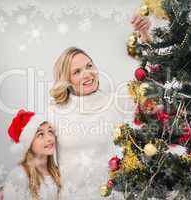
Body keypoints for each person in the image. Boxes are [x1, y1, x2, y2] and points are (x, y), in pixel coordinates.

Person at [47, 15, 151, 199]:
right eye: (77, 72)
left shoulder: (115, 102)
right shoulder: (54, 112)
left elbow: (150, 82)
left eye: (89, 66)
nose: (87, 74)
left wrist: (145, 36)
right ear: (66, 79)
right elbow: (43, 165)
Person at [3, 109, 61, 200]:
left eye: (50, 131)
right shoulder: (19, 175)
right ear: (28, 143)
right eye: (40, 134)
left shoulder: (56, 173)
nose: (49, 138)